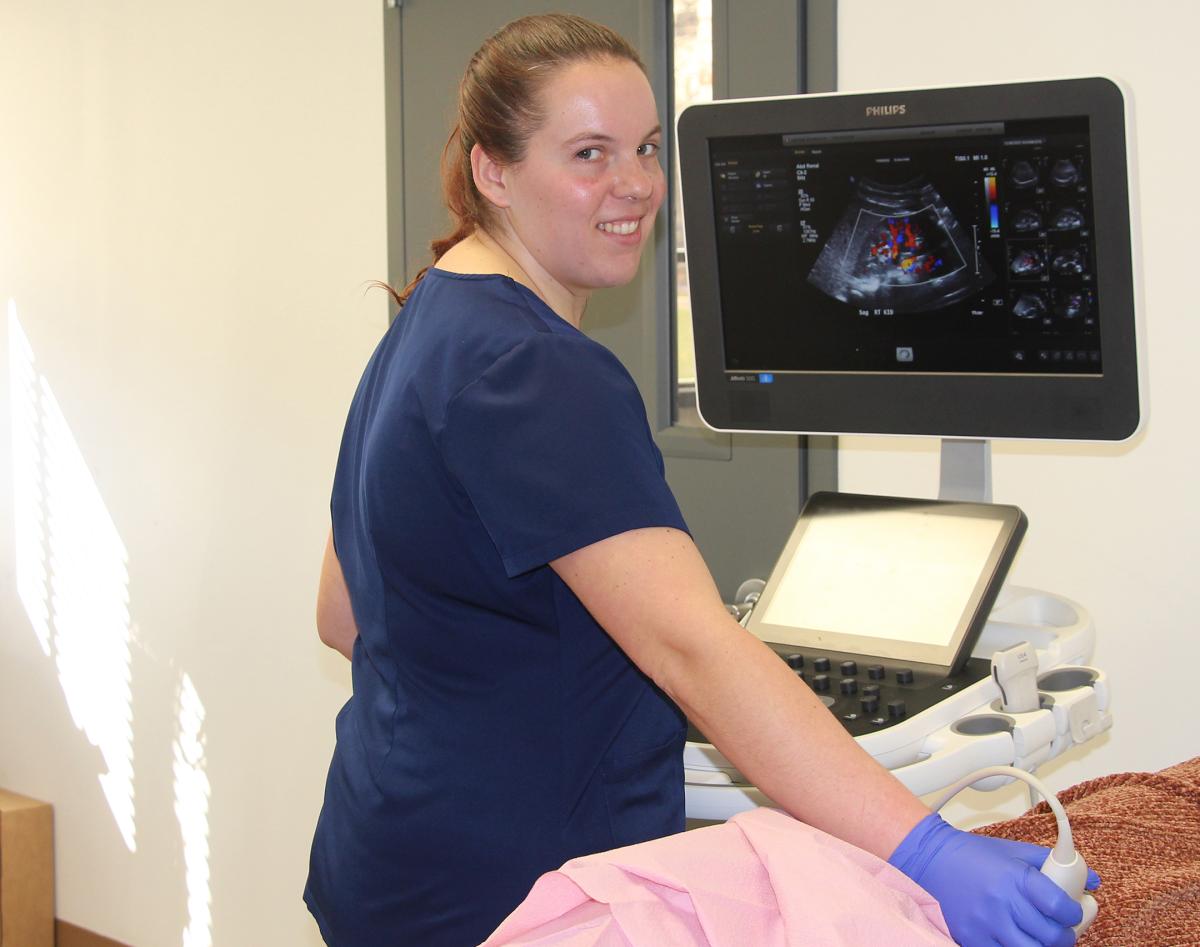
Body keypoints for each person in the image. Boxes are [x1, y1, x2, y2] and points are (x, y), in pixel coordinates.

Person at [305, 14, 1095, 947]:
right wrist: (926, 851)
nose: (636, 183)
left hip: (388, 858)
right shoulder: (537, 370)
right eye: (589, 153)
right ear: (494, 171)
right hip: (522, 898)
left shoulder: (427, 318)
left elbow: (344, 616)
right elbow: (694, 651)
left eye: (646, 147)